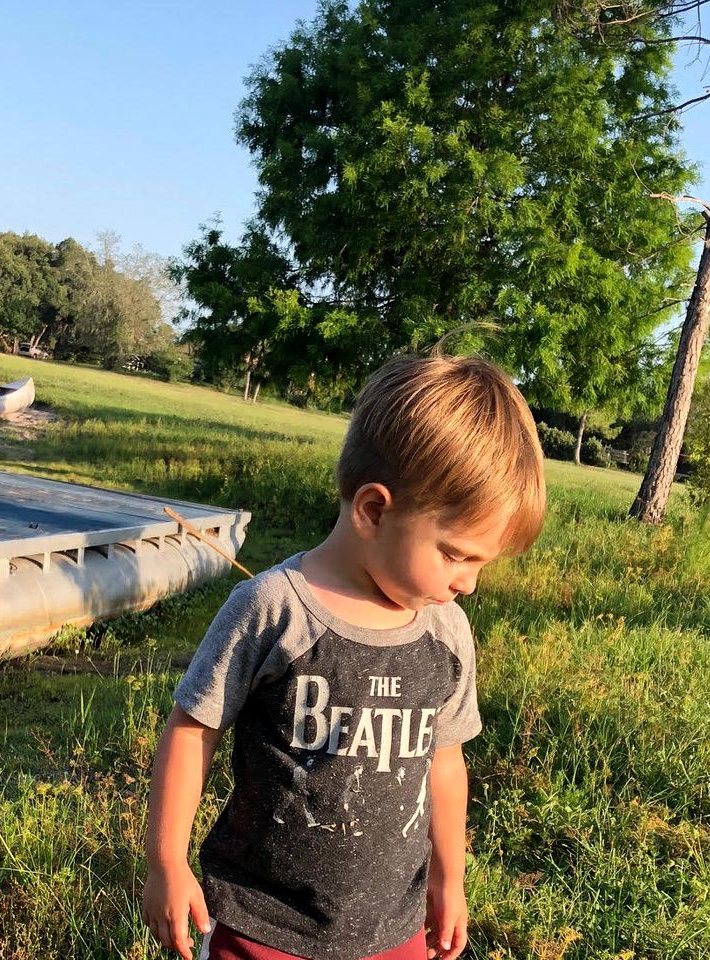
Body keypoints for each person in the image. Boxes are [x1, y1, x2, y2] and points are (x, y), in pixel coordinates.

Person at [142, 354, 546, 960]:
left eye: (482, 564)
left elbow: (445, 761)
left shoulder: (446, 632)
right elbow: (192, 731)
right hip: (264, 926)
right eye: (458, 555)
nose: (470, 583)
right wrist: (166, 863)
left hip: (394, 929)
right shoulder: (274, 608)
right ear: (374, 510)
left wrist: (449, 876)